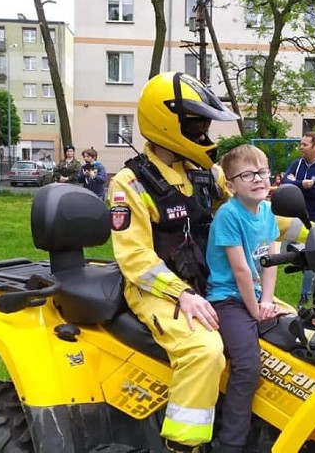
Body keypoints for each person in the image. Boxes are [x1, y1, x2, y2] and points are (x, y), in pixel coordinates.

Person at [108, 72, 239, 453]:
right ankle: (183, 446)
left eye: (205, 124)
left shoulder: (206, 173)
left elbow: (242, 213)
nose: (204, 133)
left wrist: (308, 233)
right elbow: (134, 258)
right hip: (156, 291)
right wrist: (182, 294)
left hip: (207, 281)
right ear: (168, 123)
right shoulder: (130, 183)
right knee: (204, 351)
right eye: (196, 124)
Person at [205, 144, 282, 453]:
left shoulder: (266, 211)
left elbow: (270, 260)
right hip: (229, 299)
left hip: (257, 297)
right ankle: (231, 444)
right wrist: (255, 309)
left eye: (262, 171)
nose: (258, 179)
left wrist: (268, 300)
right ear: (231, 184)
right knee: (248, 364)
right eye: (247, 174)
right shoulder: (228, 214)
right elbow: (239, 270)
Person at [280, 131, 315, 304]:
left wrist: (294, 184)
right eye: (301, 144)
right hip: (290, 218)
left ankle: (305, 295)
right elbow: (283, 184)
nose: (300, 147)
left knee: (311, 259)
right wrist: (302, 184)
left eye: (304, 144)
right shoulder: (297, 164)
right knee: (282, 257)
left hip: (312, 221)